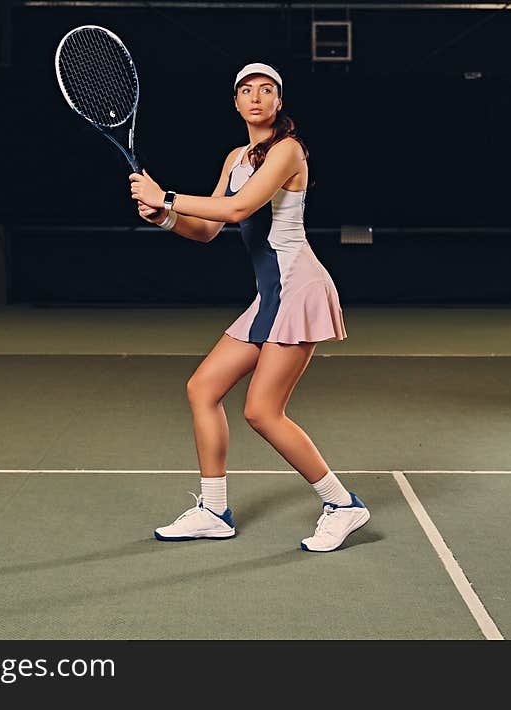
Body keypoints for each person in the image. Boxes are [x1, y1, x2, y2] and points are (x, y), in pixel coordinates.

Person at [128, 62, 369, 552]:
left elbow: (239, 209)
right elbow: (207, 229)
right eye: (246, 90)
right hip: (269, 294)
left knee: (262, 411)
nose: (256, 97)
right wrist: (163, 216)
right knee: (203, 389)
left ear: (279, 102)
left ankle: (343, 505)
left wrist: (168, 194)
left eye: (266, 90)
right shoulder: (236, 157)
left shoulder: (288, 151)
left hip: (298, 289)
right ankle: (214, 510)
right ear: (235, 103)